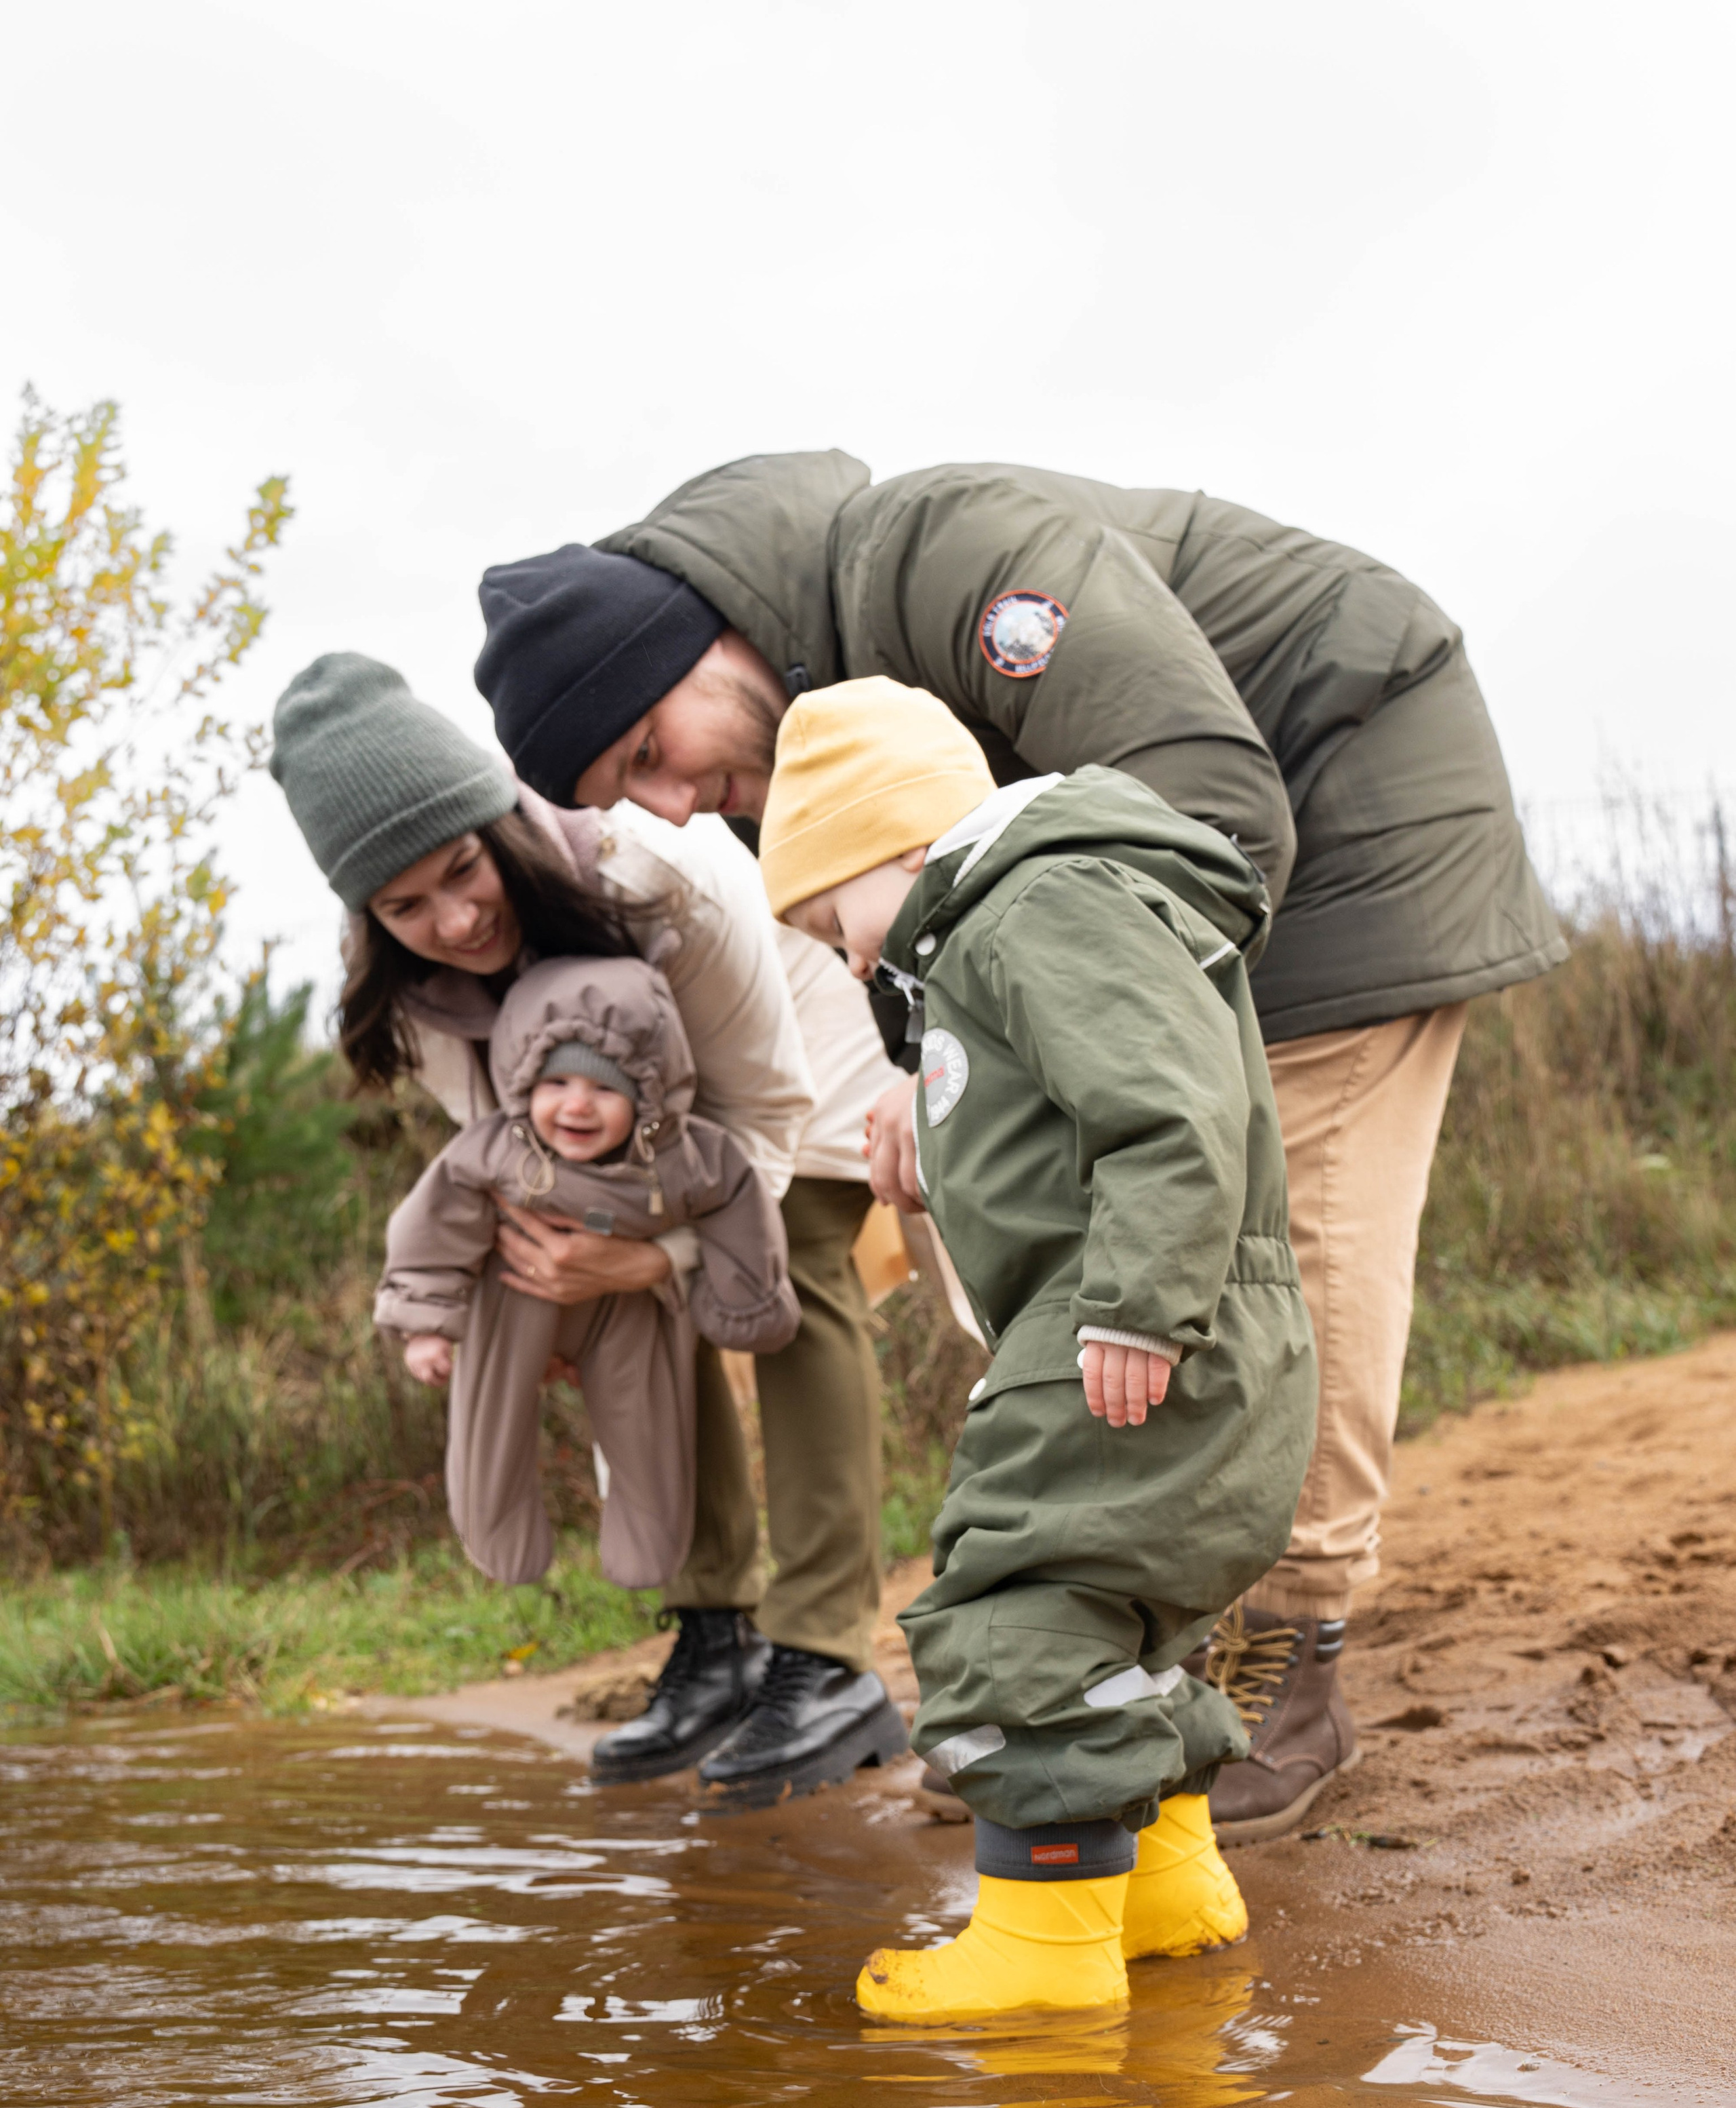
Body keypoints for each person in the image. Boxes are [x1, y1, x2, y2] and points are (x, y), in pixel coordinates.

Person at [471, 452, 1566, 1841]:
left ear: (697, 644)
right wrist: (936, 1087)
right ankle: (1096, 1668)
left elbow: (1209, 798)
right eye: (632, 799)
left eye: (647, 757)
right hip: (1142, 878)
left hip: (1344, 784)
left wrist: (1002, 1069)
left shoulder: (946, 559)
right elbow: (917, 942)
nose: (676, 806)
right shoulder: (789, 746)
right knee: (1058, 1201)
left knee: (1271, 1208)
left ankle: (1289, 1643)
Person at [761, 677, 1315, 2020]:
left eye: (835, 925)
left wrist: (1130, 1301)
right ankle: (1167, 1887)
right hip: (1206, 1323)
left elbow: (1165, 1109)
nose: (846, 966)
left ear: (893, 843)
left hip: (1132, 1313)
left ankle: (1042, 1950)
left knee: (1013, 1613)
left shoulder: (1029, 905)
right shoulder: (1042, 912)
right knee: (1128, 1620)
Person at [269, 651, 850, 1789]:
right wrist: (566, 1295)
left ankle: (828, 1653)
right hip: (615, 1123)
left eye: (461, 869)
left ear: (499, 825)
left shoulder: (665, 873)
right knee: (616, 1303)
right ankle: (715, 1635)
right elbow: (517, 1174)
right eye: (404, 906)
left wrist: (670, 1251)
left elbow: (766, 1121)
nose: (453, 918)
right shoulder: (428, 1001)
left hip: (786, 1052)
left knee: (794, 1266)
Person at [375, 954, 802, 1618]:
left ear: (648, 1096)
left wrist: (745, 1305)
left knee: (649, 1425)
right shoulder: (495, 1151)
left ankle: (647, 1549)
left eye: (605, 1089)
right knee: (492, 1420)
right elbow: (433, 1227)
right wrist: (425, 1323)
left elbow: (741, 1207)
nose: (576, 1104)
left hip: (628, 1308)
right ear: (523, 1083)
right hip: (514, 1297)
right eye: (557, 1083)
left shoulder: (686, 1157)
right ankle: (499, 1537)